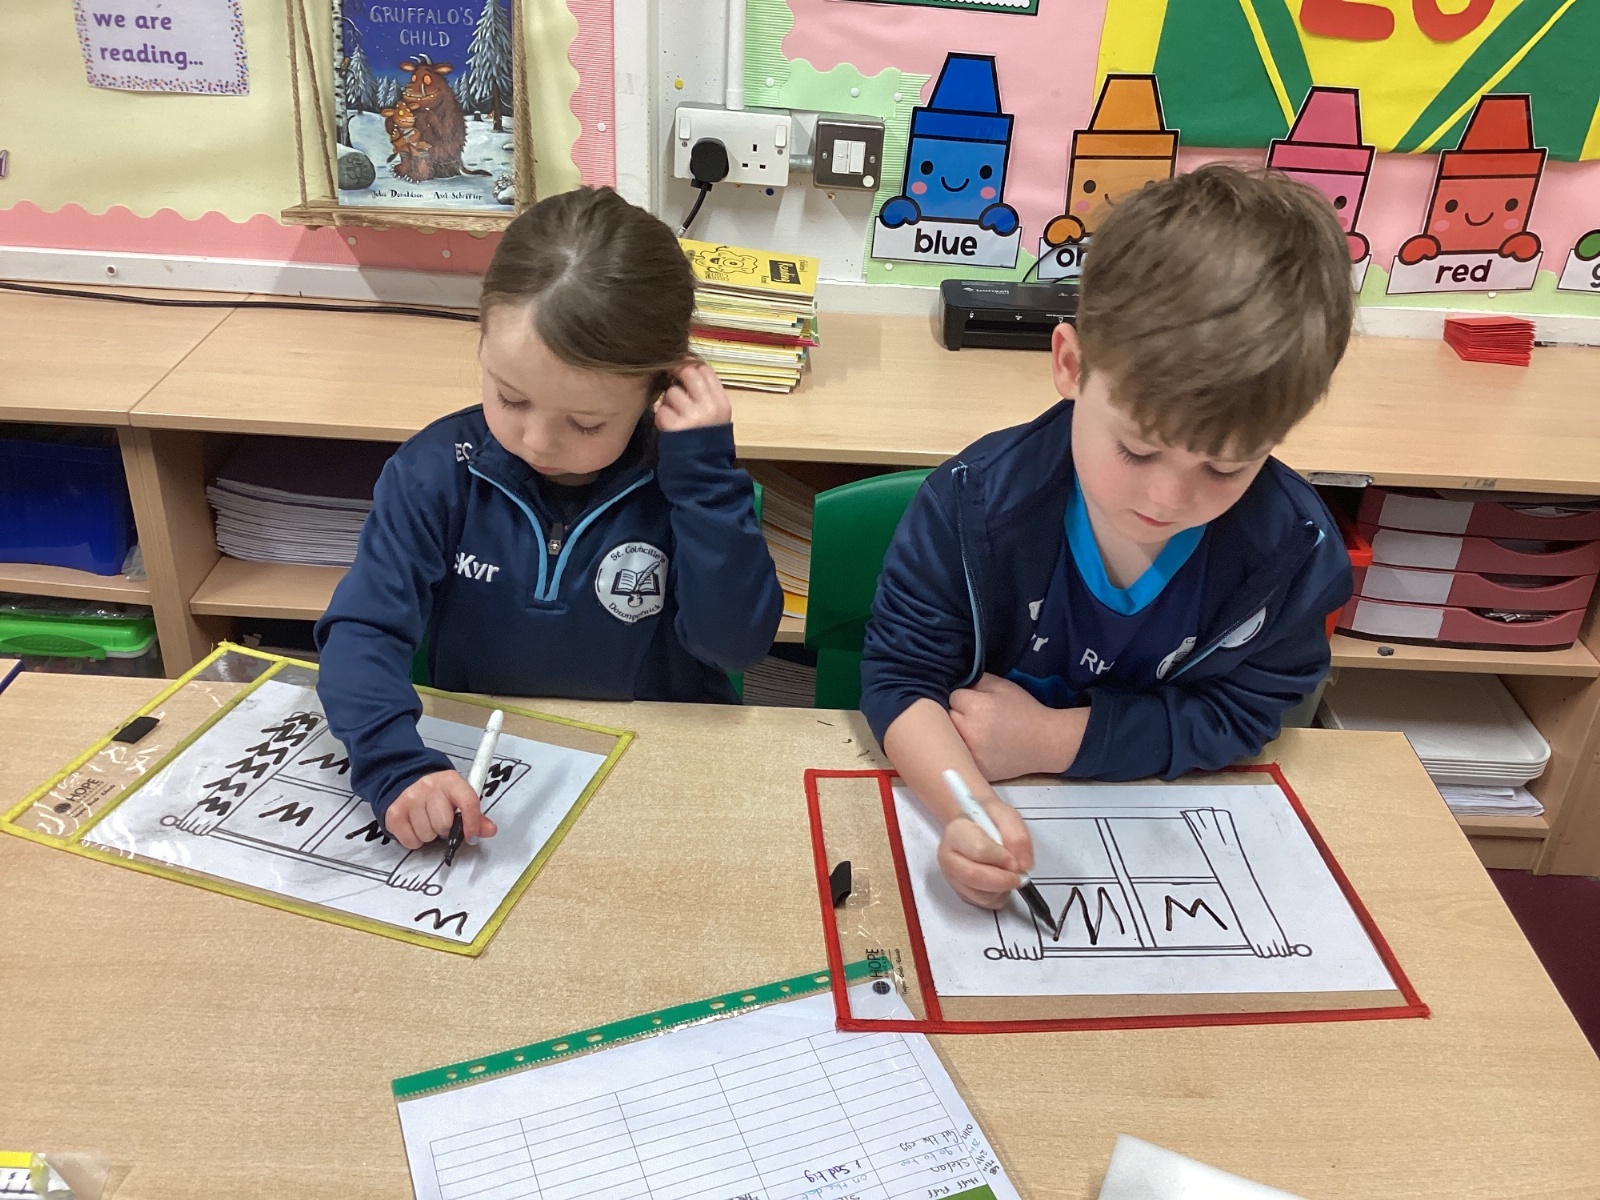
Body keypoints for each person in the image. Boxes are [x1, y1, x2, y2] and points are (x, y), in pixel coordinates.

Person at [861, 164, 1354, 910]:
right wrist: (969, 809)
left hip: (1160, 831)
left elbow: (1247, 713)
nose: (1169, 500)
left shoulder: (1290, 553)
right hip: (991, 793)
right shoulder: (972, 504)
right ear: (1070, 364)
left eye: (1226, 467)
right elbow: (900, 682)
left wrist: (1052, 740)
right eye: (1137, 449)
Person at [316, 187, 783, 850]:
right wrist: (394, 763)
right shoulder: (436, 471)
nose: (536, 441)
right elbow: (362, 629)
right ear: (482, 342)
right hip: (486, 767)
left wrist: (706, 482)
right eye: (510, 398)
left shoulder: (688, 481)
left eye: (586, 423)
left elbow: (734, 645)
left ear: (662, 388)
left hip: (656, 770)